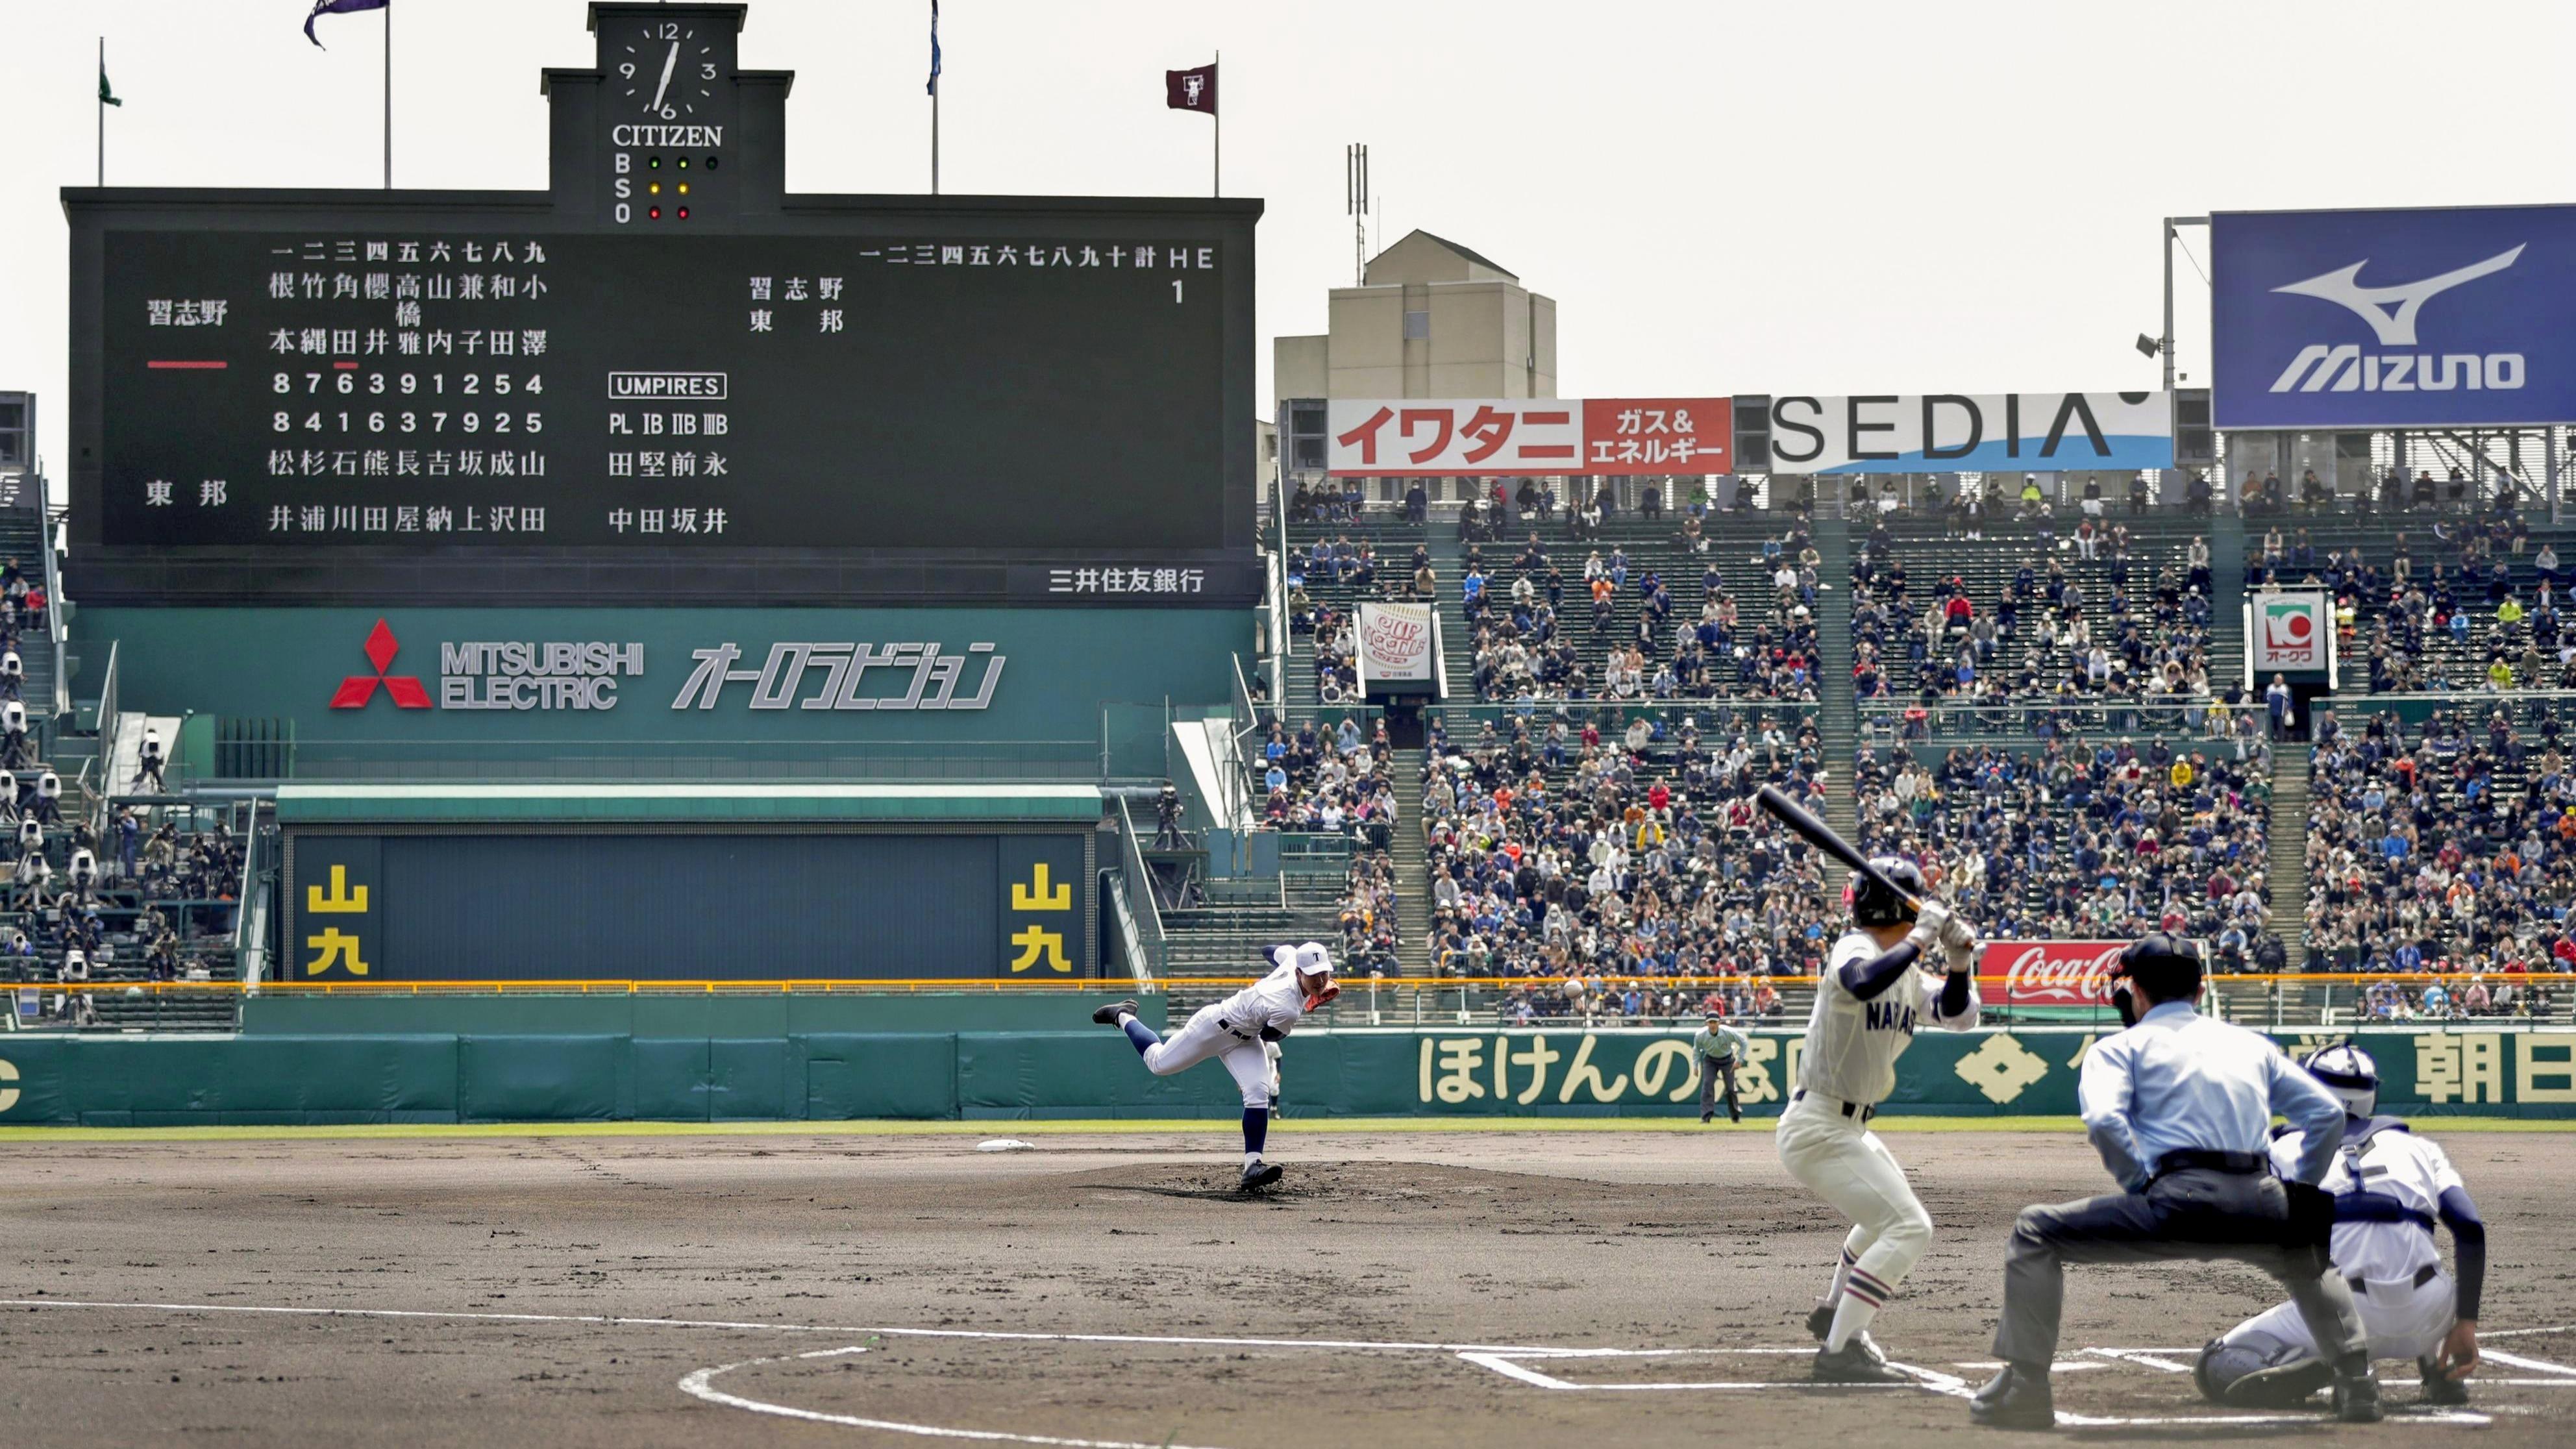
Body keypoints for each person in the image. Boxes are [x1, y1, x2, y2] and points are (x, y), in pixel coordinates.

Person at [1968, 934, 2377, 1429]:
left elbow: (2103, 1122)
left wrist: (2139, 1182)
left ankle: (2027, 1386)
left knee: (2036, 1231)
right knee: (2307, 1254)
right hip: (2259, 1196)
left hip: (2177, 1198)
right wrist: (2297, 1191)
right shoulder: (2250, 1045)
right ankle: (2357, 1384)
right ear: (2200, 992)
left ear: (2135, 991)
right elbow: (2328, 1115)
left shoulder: (2119, 1048)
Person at [2193, 1043, 2484, 1411]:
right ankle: (2440, 1373)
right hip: (2431, 1316)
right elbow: (2471, 1228)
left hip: (2343, 1318)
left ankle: (2346, 1371)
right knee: (2408, 1251)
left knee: (2216, 1363)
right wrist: (2466, 1324)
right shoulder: (2421, 1148)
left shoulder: (2280, 1149)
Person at [1779, 857, 1982, 1383]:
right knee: (1909, 1227)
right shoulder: (1859, 947)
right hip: (1819, 1124)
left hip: (1846, 1127)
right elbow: (1861, 983)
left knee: (1882, 1220)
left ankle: (1832, 1312)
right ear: (1902, 907)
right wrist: (1921, 937)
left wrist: (1959, 961)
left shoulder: (1907, 972)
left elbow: (1959, 1016)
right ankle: (1840, 1350)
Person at [1090, 942, 1339, 1191]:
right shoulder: (1287, 1007)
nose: (1320, 979)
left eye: (1324, 973)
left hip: (1245, 1039)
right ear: (1299, 973)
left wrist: (1291, 977)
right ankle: (1123, 1016)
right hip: (1214, 1027)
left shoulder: (1292, 959)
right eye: (1312, 974)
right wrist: (1308, 1003)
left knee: (1258, 1092)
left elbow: (1269, 950)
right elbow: (1271, 1035)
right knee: (1158, 1063)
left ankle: (1252, 1166)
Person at [1692, 1009, 1751, 1124]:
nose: (1713, 1025)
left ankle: (1735, 1117)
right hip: (1710, 1060)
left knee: (1730, 1089)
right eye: (1710, 1022)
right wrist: (1695, 1066)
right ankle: (1706, 1116)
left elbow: (1744, 1042)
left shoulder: (1728, 1032)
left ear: (1719, 1022)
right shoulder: (1700, 1035)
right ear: (1706, 1024)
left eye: (1715, 1022)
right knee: (1707, 1085)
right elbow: (1696, 1051)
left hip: (1727, 1060)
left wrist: (1739, 1060)